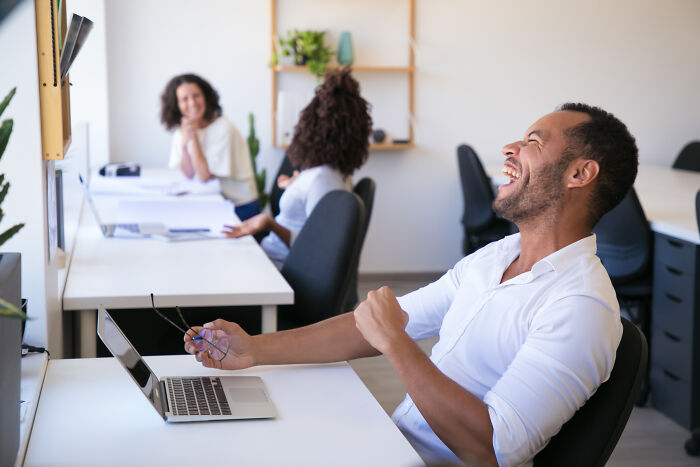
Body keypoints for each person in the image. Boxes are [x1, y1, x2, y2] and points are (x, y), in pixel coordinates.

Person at [184, 103, 639, 466]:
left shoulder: (581, 307)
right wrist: (256, 350)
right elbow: (378, 324)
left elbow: (494, 450)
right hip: (394, 443)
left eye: (532, 142)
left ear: (580, 173)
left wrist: (397, 345)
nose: (510, 149)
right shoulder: (498, 255)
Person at [222, 68, 372, 268]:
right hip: (274, 259)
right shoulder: (332, 173)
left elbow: (316, 247)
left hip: (281, 267)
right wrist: (297, 185)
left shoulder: (324, 179)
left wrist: (269, 223)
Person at [160, 73, 260, 220]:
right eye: (184, 99)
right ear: (177, 105)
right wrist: (183, 147)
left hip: (240, 206)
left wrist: (193, 139)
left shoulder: (223, 128)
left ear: (205, 97)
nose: (192, 103)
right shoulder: (182, 129)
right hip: (214, 201)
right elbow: (188, 173)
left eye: (196, 96)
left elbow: (204, 176)